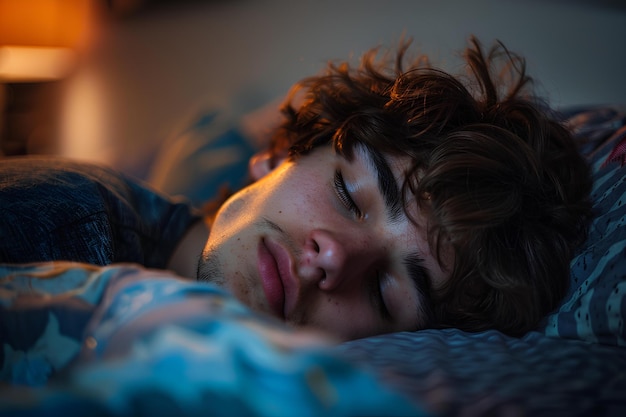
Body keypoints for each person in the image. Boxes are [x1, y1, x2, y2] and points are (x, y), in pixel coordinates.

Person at [0, 37, 593, 341]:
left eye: (388, 294)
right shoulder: (72, 222)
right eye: (345, 194)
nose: (334, 255)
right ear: (278, 155)